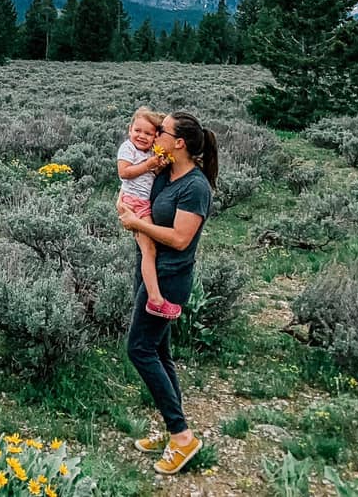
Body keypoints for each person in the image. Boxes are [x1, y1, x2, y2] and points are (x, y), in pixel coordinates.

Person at [117, 111, 218, 476]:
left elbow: (179, 238)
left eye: (162, 131)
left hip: (171, 277)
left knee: (139, 348)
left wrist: (137, 223)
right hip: (148, 269)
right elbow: (131, 188)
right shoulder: (164, 172)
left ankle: (182, 437)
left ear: (179, 143)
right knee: (159, 350)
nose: (156, 135)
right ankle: (171, 426)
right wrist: (125, 206)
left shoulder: (195, 187)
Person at [117, 107, 181, 320]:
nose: (141, 136)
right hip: (134, 204)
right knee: (149, 250)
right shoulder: (128, 149)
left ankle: (153, 295)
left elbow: (151, 173)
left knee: (150, 249)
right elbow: (124, 173)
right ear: (130, 130)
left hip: (142, 204)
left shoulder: (150, 154)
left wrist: (158, 165)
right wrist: (149, 165)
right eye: (138, 131)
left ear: (156, 136)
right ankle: (155, 299)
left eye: (148, 133)